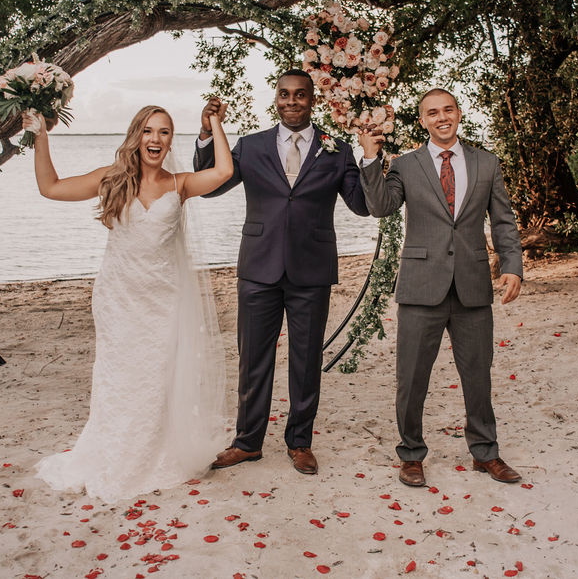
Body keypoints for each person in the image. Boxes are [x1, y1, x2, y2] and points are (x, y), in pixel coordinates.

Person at [31, 102, 233, 503]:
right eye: (148, 131)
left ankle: (151, 455)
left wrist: (214, 123)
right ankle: (113, 453)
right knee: (118, 379)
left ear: (171, 140)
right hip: (119, 299)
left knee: (155, 381)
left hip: (163, 301)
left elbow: (225, 171)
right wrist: (40, 135)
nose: (155, 139)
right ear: (135, 136)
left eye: (164, 132)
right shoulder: (111, 179)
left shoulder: (180, 184)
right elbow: (50, 187)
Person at [194, 69, 370, 475]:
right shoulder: (250, 146)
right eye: (285, 94)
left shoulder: (337, 150)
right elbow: (212, 184)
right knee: (252, 357)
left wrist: (371, 159)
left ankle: (300, 442)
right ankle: (247, 442)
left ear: (313, 100)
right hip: (258, 266)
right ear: (276, 98)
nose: (292, 101)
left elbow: (361, 205)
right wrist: (207, 135)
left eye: (301, 95)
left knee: (306, 360)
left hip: (312, 269)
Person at [357, 88, 524, 488]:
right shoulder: (405, 165)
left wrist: (513, 265)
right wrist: (369, 158)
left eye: (447, 109)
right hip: (420, 288)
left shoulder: (486, 163)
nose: (441, 117)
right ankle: (411, 455)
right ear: (423, 120)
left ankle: (486, 454)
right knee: (412, 378)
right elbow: (381, 207)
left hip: (472, 287)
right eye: (432, 113)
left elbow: (503, 220)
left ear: (459, 113)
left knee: (478, 376)